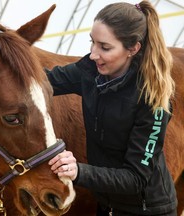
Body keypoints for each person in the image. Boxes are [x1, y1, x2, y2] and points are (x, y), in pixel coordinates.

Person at [46, 1, 177, 215]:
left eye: (105, 47)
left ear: (133, 48)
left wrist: (78, 171)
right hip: (107, 205)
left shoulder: (152, 102)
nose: (93, 54)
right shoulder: (89, 71)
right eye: (93, 43)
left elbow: (135, 179)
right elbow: (44, 82)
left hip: (147, 210)